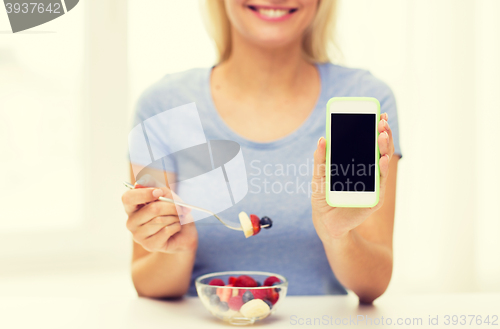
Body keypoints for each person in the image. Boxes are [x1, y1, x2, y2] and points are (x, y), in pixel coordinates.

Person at [121, 0, 401, 304]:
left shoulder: (363, 100)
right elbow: (147, 283)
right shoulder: (162, 107)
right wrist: (177, 248)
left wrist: (337, 235)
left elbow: (374, 284)